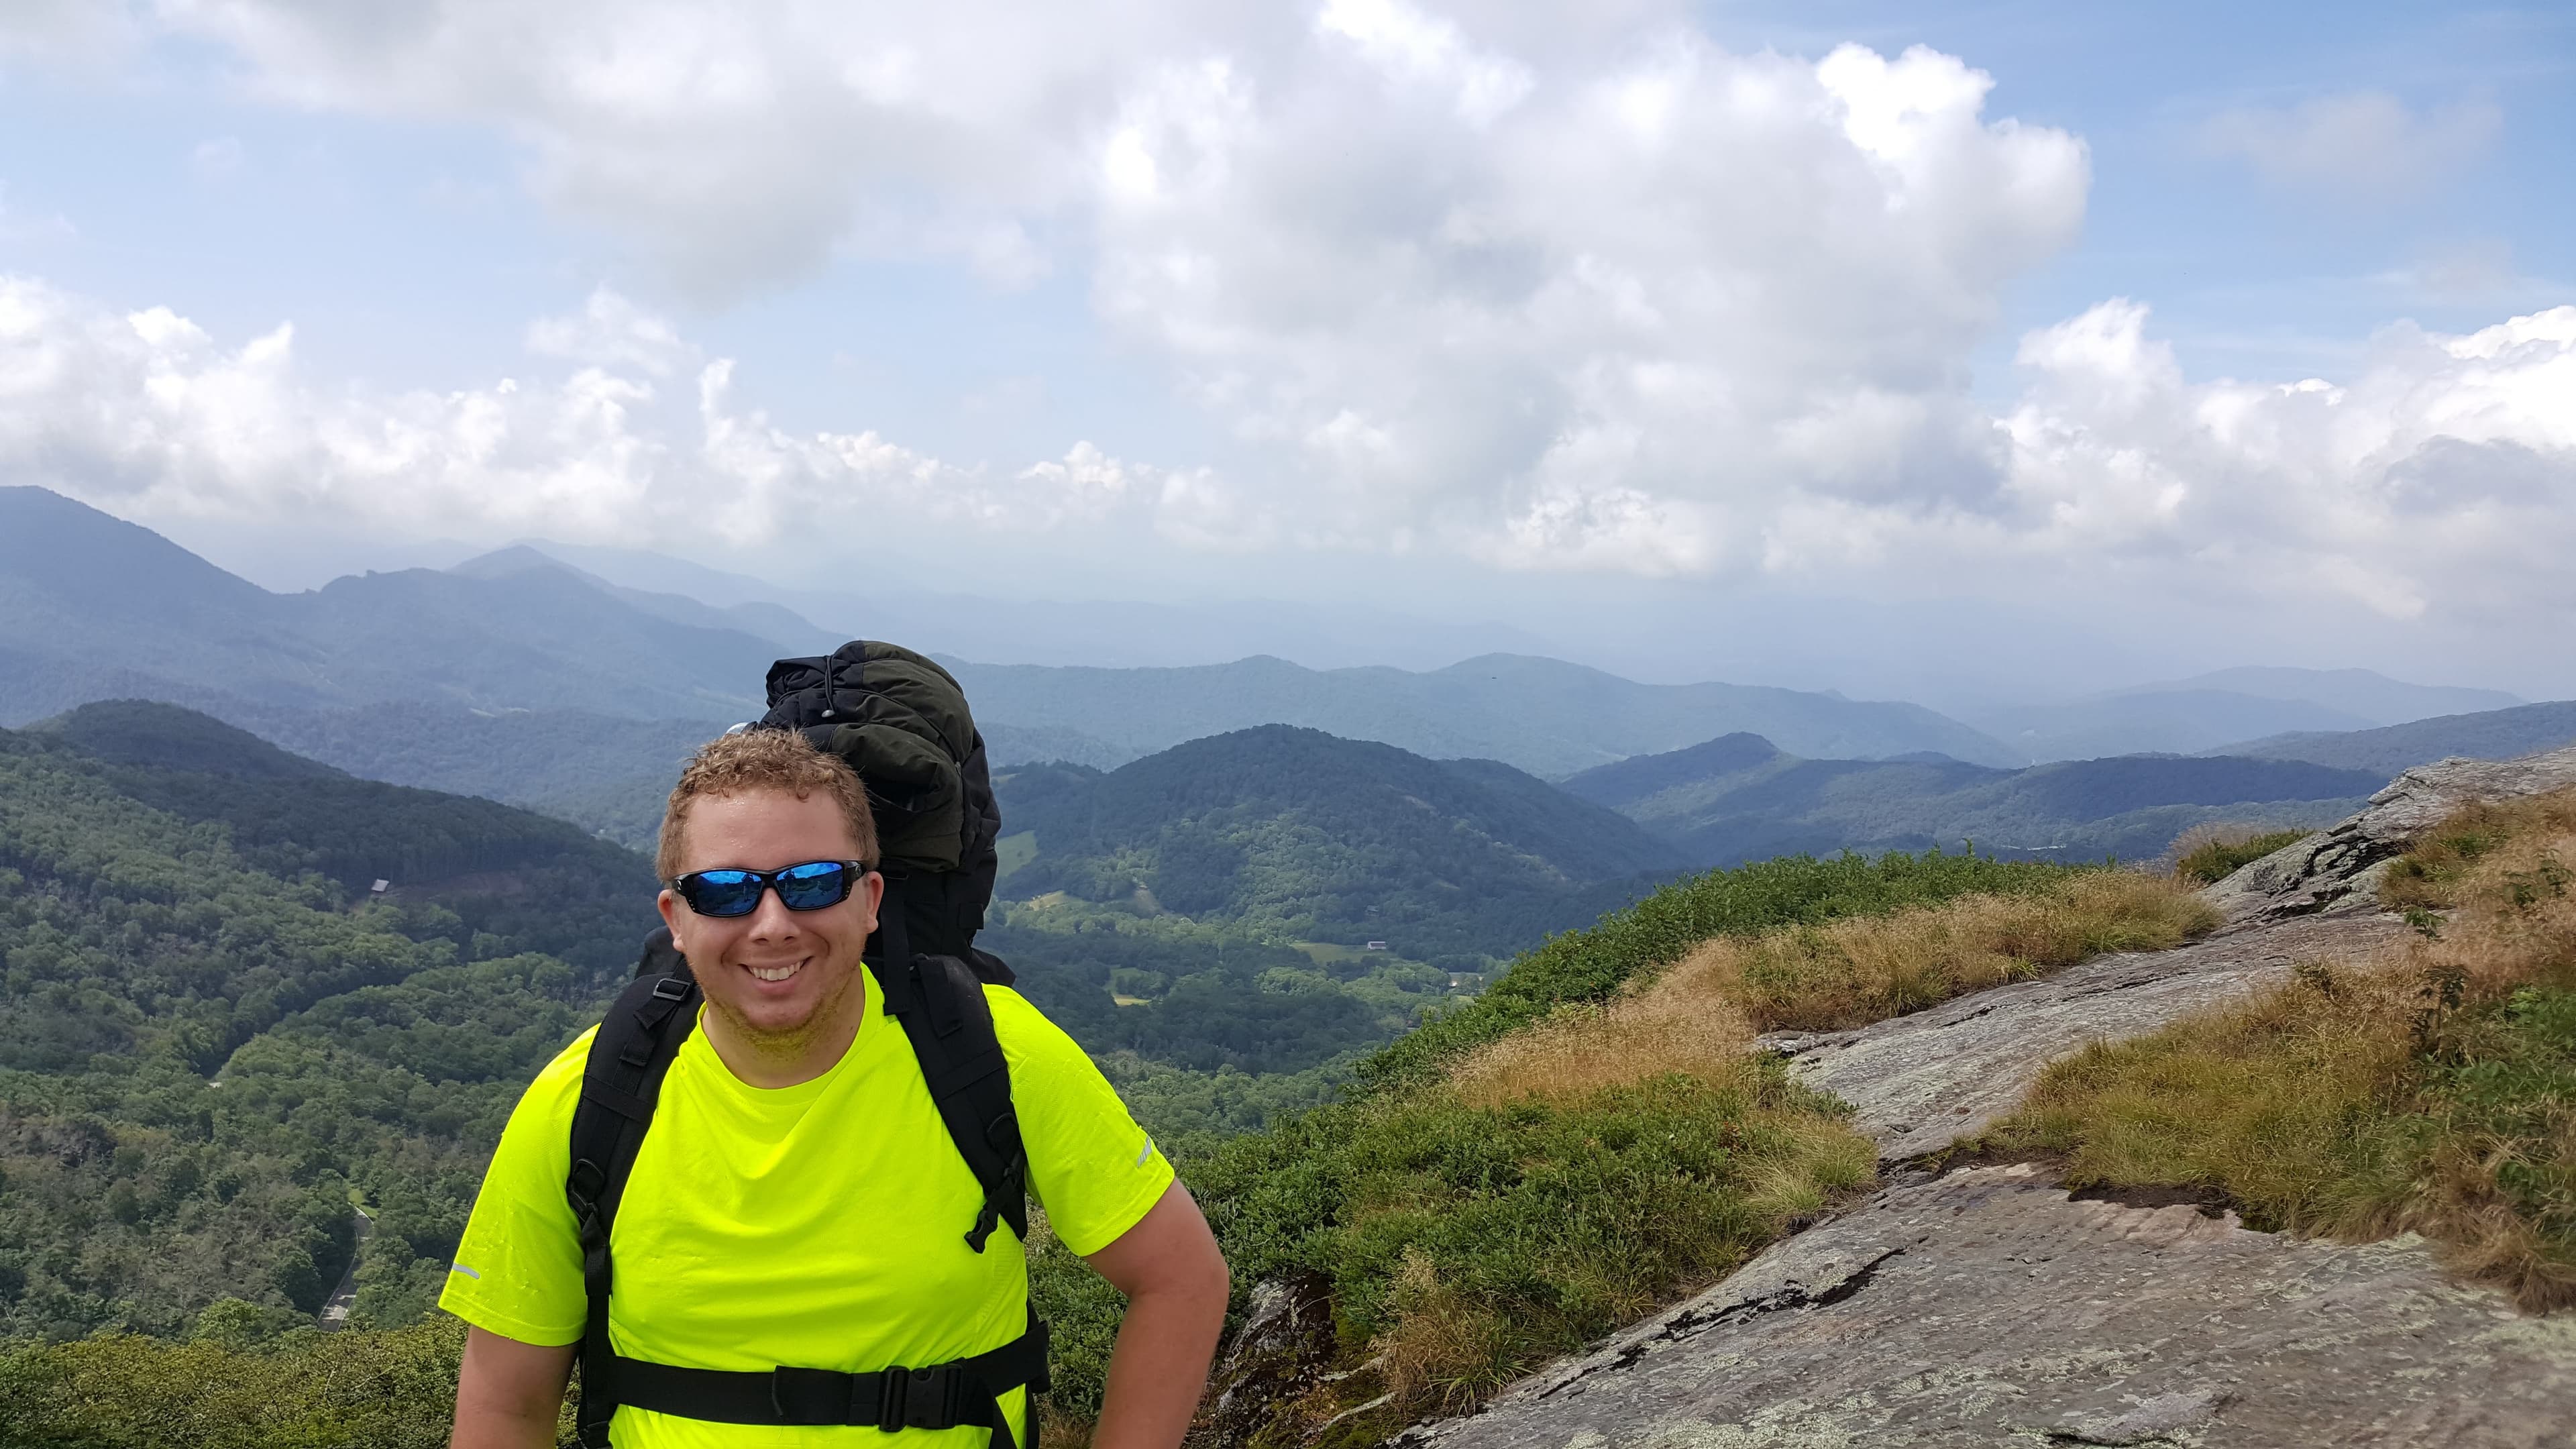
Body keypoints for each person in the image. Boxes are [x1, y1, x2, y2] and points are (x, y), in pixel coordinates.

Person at [441, 729, 1230, 1448]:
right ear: (676, 918)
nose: (773, 922)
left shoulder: (990, 1049)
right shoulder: (587, 1097)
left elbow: (1182, 1278)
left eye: (814, 882)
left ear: (871, 901)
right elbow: (505, 1407)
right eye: (724, 891)